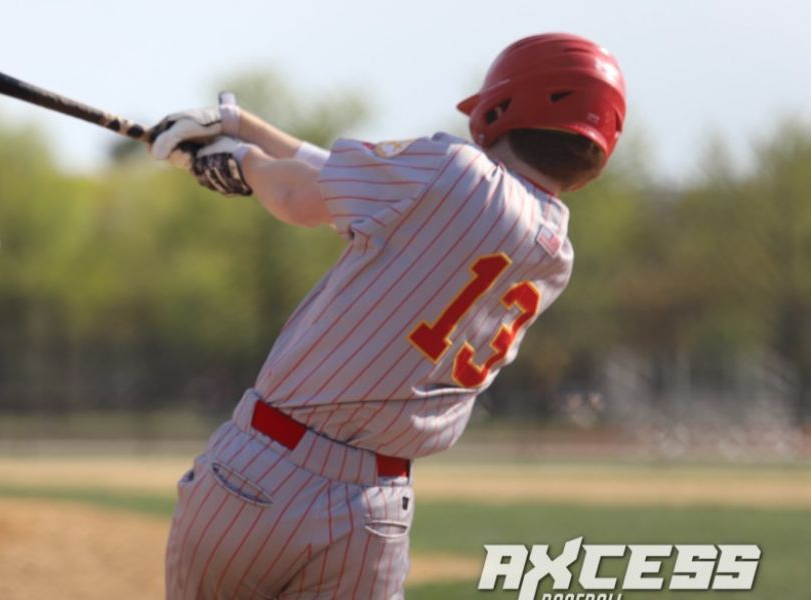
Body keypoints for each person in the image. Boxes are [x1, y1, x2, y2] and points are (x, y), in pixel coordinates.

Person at [148, 32, 626, 598]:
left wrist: (241, 162)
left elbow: (303, 198)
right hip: (374, 512)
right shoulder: (553, 253)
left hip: (263, 474)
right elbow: (357, 182)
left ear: (500, 108)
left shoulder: (454, 172)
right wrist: (243, 126)